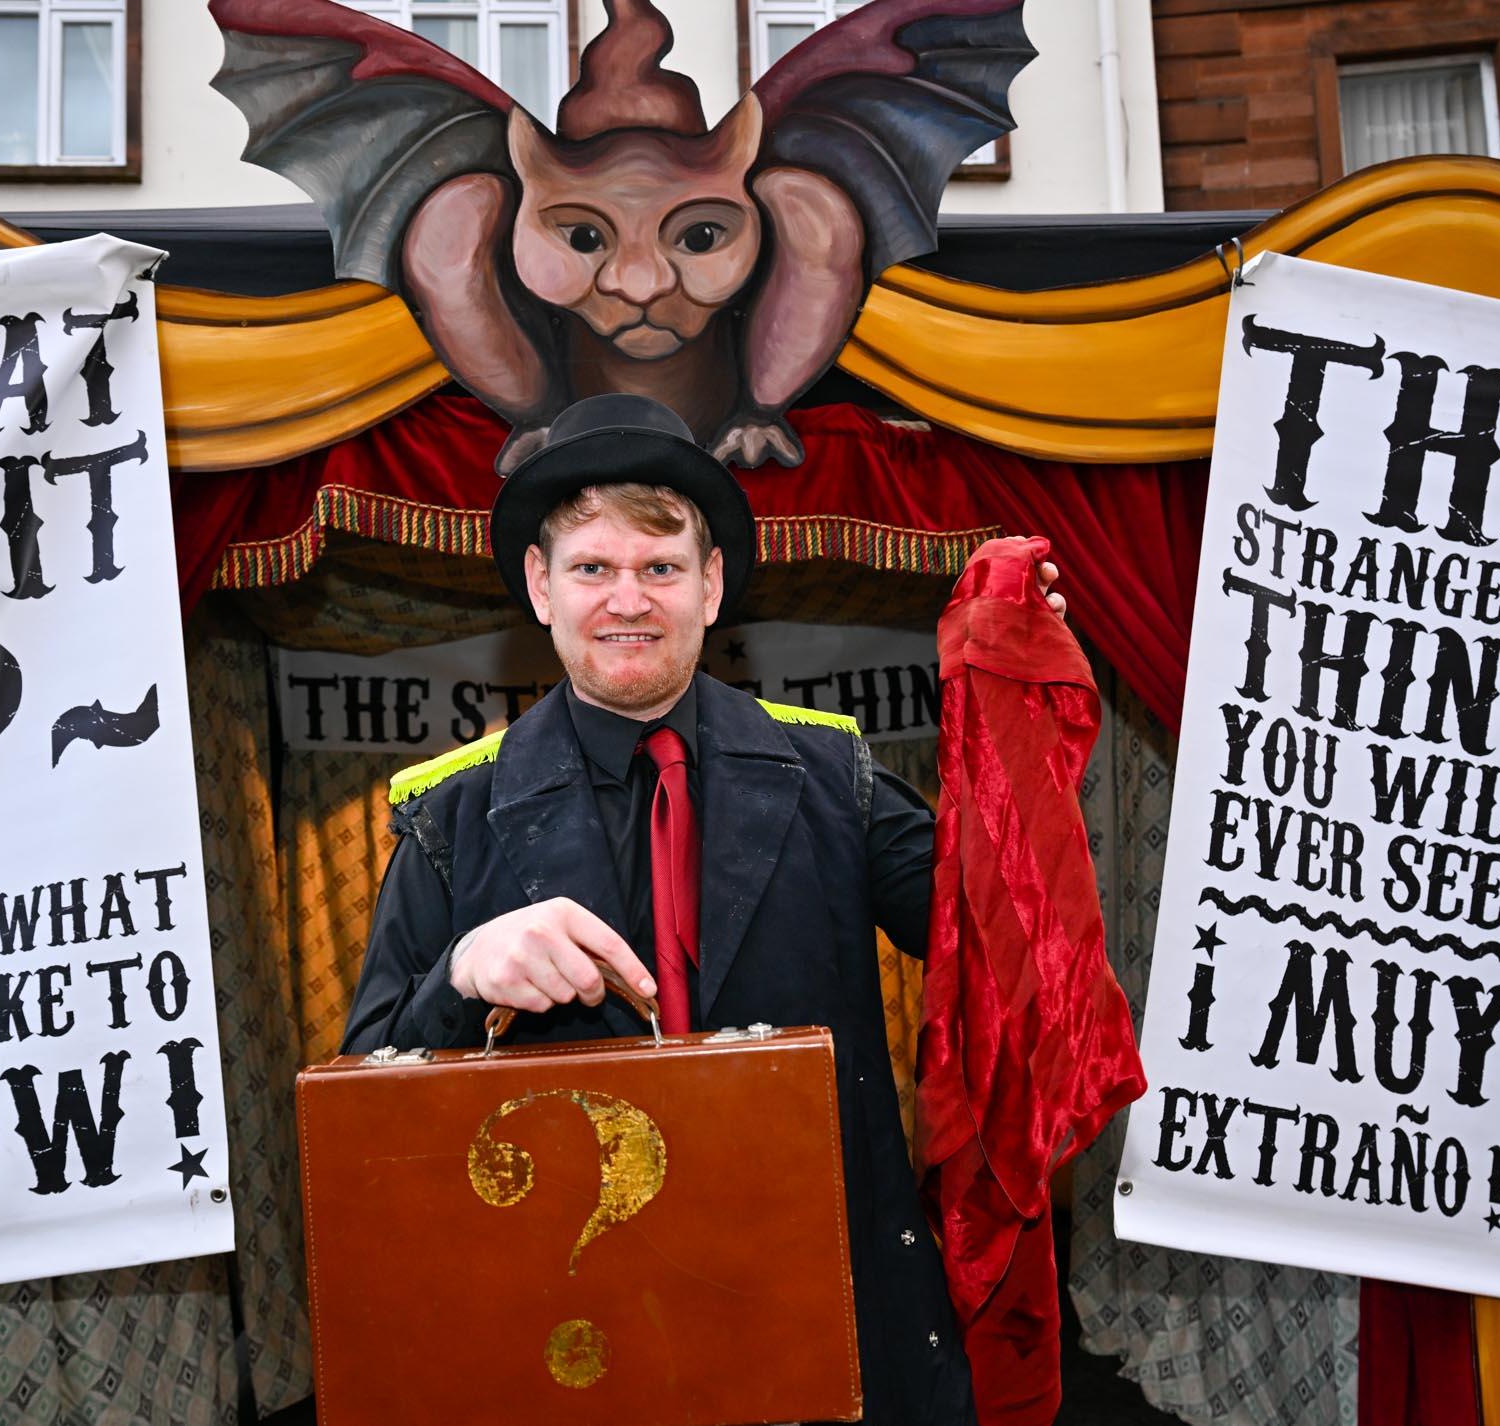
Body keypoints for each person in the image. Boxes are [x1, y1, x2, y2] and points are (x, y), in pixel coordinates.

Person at [340, 393, 1064, 1425]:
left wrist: (1017, 706)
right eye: (591, 567)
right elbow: (364, 1107)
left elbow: (1008, 939)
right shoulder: (450, 812)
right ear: (540, 586)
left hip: (830, 1318)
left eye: (660, 567)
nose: (626, 598)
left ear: (710, 583)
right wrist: (461, 975)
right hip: (573, 1335)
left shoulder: (830, 771)